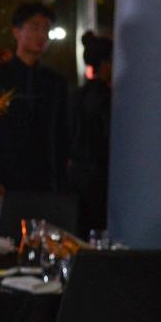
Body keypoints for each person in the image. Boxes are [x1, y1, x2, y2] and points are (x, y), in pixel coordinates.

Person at [0, 2, 69, 200]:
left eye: (46, 29)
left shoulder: (55, 82)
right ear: (17, 32)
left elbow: (63, 133)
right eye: (34, 27)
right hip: (6, 180)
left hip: (46, 181)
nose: (41, 35)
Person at [67, 31, 112, 232]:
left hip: (75, 175)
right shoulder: (107, 98)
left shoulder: (76, 95)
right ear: (105, 64)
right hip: (99, 177)